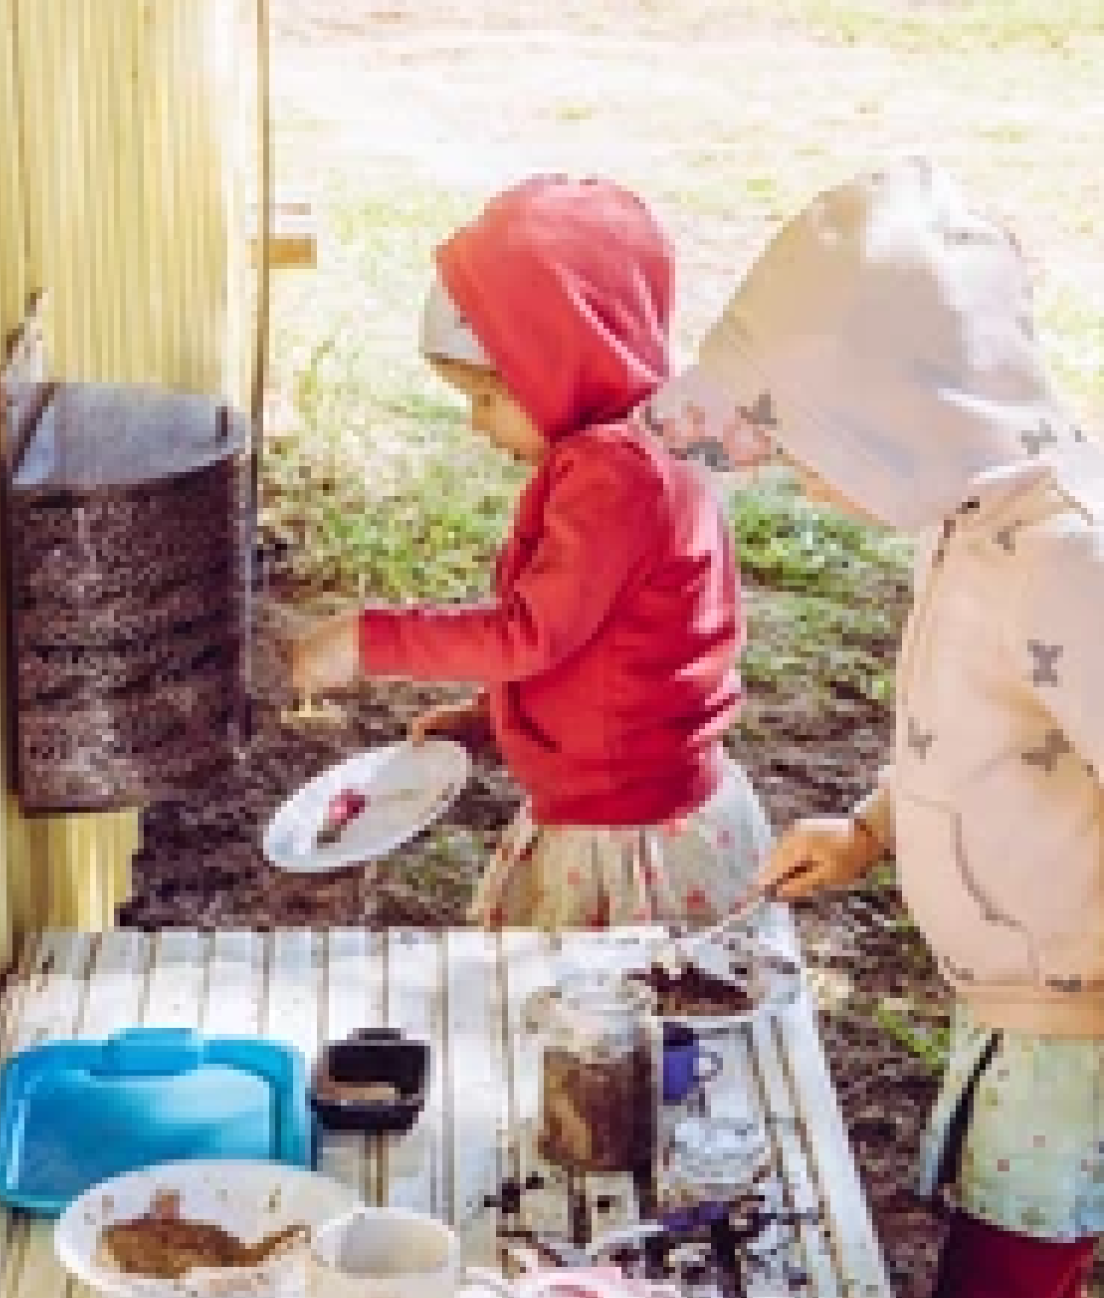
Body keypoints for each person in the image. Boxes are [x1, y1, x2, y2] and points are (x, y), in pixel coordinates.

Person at [642, 155, 1104, 1298]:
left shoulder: (1082, 564)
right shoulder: (976, 518)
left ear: (907, 414)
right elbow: (999, 742)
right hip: (1030, 1002)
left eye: (812, 442)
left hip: (1092, 1021)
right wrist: (871, 827)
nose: (794, 475)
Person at [288, 174, 771, 928]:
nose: (477, 426)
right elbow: (607, 642)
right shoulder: (637, 443)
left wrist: (367, 639)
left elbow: (530, 631)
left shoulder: (615, 476)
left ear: (558, 363)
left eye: (486, 399)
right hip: (622, 791)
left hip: (627, 829)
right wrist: (496, 715)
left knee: (607, 1020)